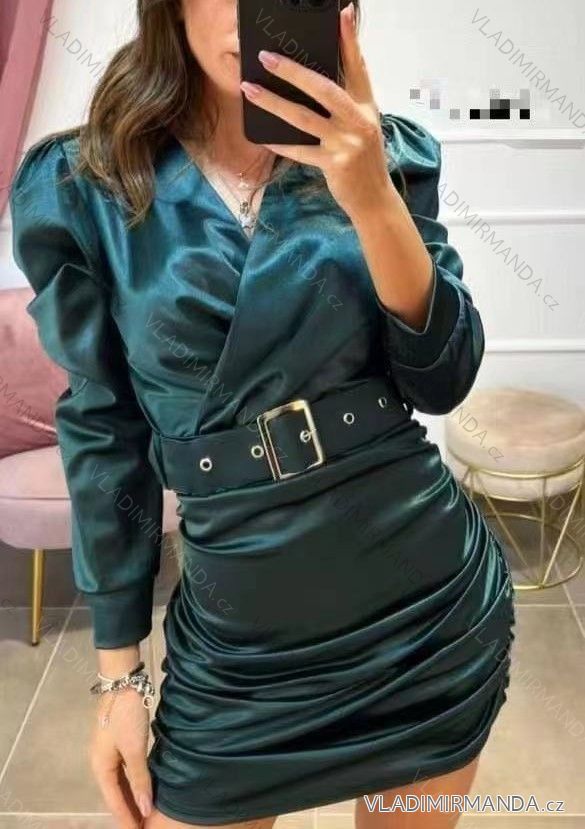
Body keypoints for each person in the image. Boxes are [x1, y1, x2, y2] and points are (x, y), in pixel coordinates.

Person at [9, 1, 516, 827]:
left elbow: (443, 379)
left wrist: (371, 196)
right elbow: (104, 432)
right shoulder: (85, 184)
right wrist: (119, 675)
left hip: (422, 617)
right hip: (237, 645)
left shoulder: (384, 153)